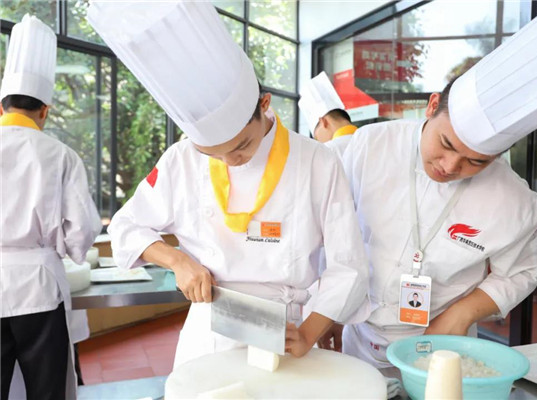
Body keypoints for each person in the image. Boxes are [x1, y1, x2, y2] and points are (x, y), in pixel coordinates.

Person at [88, 0, 369, 368]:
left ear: (265, 104)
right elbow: (126, 226)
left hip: (285, 331)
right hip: (207, 330)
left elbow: (348, 266)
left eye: (240, 147)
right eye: (212, 154)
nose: (229, 161)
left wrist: (309, 332)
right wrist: (177, 261)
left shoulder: (318, 161)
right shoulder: (181, 158)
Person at [333, 0, 537, 387]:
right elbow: (322, 220)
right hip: (357, 338)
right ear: (432, 105)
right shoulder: (368, 146)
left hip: (442, 348)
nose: (450, 166)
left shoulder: (513, 201)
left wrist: (462, 313)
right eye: (446, 144)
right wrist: (321, 309)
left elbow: (524, 270)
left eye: (476, 161)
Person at [0, 15, 102, 400]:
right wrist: (69, 250)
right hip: (39, 289)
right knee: (48, 392)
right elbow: (82, 230)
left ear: (0, 107)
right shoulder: (60, 155)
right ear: (45, 111)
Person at [299, 71, 357, 159]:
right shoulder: (372, 138)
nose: (319, 142)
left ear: (324, 122)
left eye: (316, 137)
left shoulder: (325, 152)